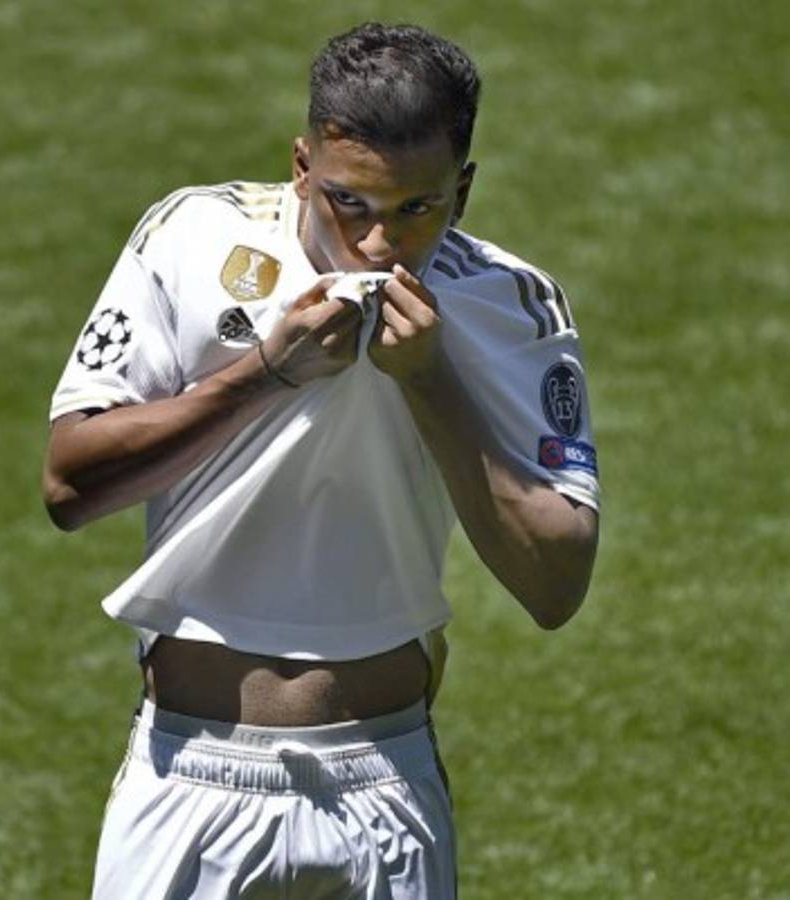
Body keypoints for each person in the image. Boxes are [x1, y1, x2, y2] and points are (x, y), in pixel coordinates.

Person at [43, 21, 599, 899]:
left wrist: (430, 381)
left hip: (384, 781)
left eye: (416, 210)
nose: (377, 245)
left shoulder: (510, 303)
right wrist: (265, 373)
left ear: (463, 189)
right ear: (302, 167)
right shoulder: (192, 237)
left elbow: (555, 582)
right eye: (349, 203)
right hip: (188, 774)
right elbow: (69, 484)